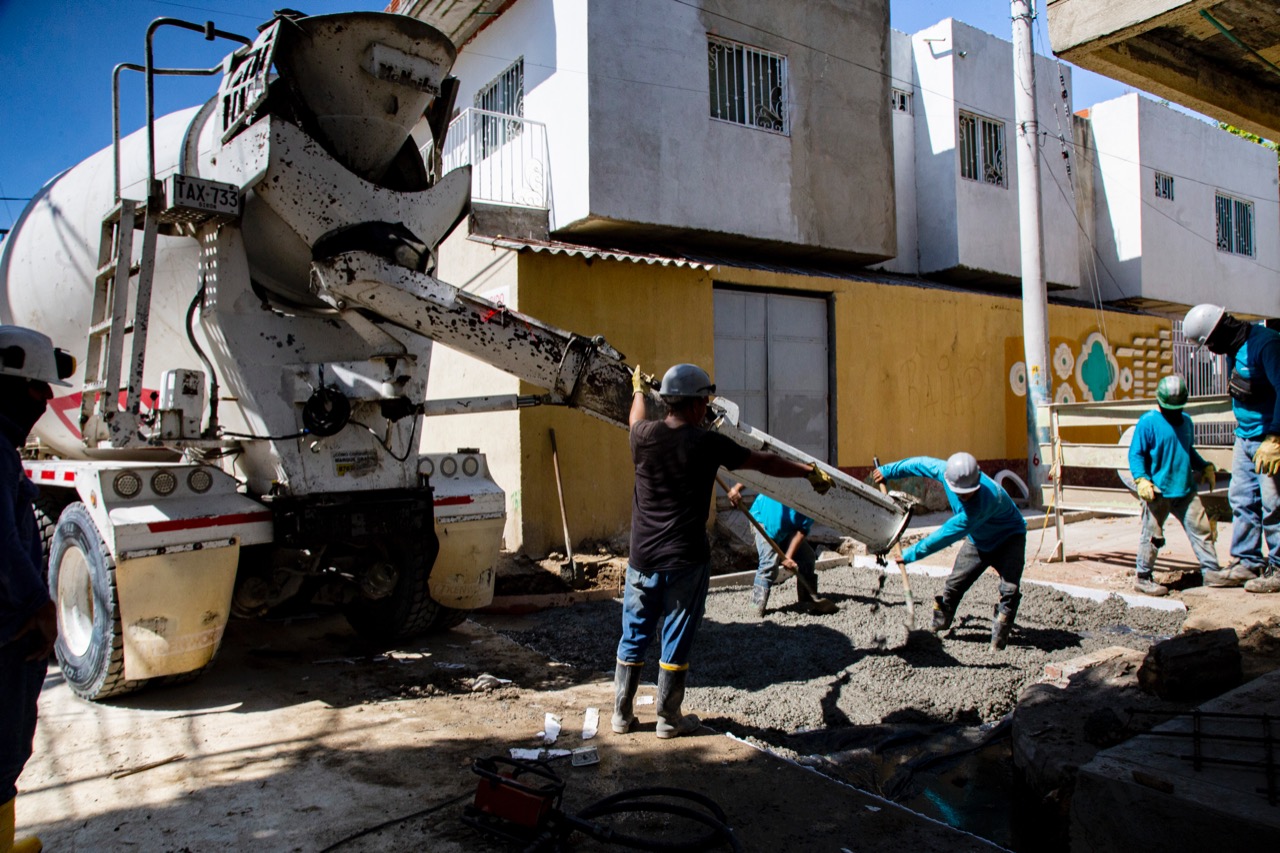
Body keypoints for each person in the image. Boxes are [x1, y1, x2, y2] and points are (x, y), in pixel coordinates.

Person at [614, 363, 834, 739]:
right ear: (698, 405)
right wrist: (806, 470)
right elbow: (763, 462)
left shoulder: (644, 437)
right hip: (686, 560)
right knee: (676, 636)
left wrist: (637, 390)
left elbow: (635, 420)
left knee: (634, 633)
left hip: (642, 558)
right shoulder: (707, 444)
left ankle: (621, 716)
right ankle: (668, 719)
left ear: (667, 402)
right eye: (706, 401)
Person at [1, 325, 75, 853]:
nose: (45, 401)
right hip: (8, 626)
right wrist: (36, 603)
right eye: (37, 390)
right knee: (3, 745)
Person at [873, 452, 1027, 650]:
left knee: (1010, 590)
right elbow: (918, 464)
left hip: (1009, 539)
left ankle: (998, 642)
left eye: (968, 493)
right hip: (978, 540)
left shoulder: (985, 501)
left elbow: (945, 535)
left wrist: (911, 554)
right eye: (960, 493)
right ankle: (939, 624)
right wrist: (887, 471)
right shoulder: (945, 470)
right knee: (954, 585)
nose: (964, 497)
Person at [1184, 304, 1280, 594]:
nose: (1212, 351)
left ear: (1221, 330)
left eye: (1211, 343)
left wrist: (1275, 439)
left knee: (1274, 505)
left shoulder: (1267, 345)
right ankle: (1246, 561)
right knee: (1242, 501)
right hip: (1245, 438)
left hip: (1269, 440)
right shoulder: (1232, 350)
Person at [1128, 375, 1221, 596]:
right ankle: (1142, 577)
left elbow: (1187, 451)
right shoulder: (1148, 422)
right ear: (1160, 403)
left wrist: (1204, 466)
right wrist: (1141, 479)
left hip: (1186, 490)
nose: (1174, 412)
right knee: (1153, 536)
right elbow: (1136, 454)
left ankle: (1211, 572)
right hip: (1158, 491)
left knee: (1202, 531)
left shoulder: (1187, 422)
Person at [724, 483, 837, 617]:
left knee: (807, 557)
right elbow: (761, 468)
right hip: (762, 521)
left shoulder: (812, 507)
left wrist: (789, 556)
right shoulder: (787, 483)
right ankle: (755, 608)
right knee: (769, 565)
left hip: (787, 528)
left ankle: (808, 599)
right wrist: (736, 489)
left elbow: (800, 532)